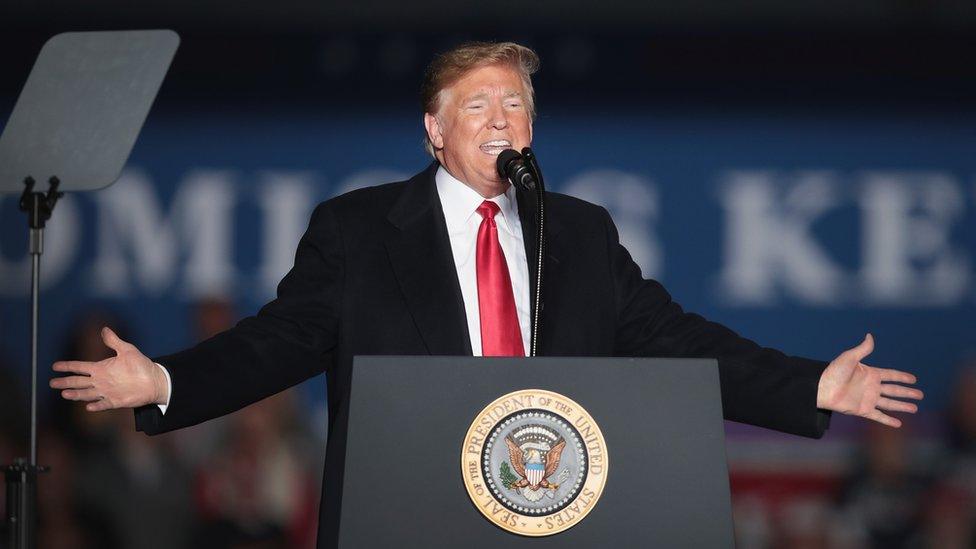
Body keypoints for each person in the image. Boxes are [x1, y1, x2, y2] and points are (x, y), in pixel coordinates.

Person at [50, 41, 923, 547]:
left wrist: (810, 385)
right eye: (477, 103)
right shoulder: (359, 231)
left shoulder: (576, 232)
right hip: (410, 521)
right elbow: (278, 339)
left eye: (515, 102)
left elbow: (670, 336)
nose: (501, 116)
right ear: (434, 132)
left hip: (556, 520)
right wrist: (165, 381)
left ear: (533, 128)